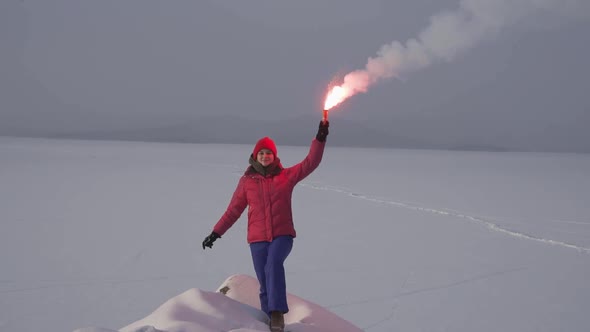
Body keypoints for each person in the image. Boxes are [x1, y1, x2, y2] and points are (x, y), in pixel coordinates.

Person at [202, 120, 330, 332]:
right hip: (257, 239)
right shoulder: (246, 182)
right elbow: (233, 210)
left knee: (273, 265)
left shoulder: (285, 177)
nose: (265, 156)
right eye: (261, 153)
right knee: (264, 282)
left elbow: (311, 162)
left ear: (274, 156)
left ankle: (277, 313)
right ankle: (268, 321)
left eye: (268, 153)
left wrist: (320, 138)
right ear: (255, 156)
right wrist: (215, 233)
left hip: (282, 235)